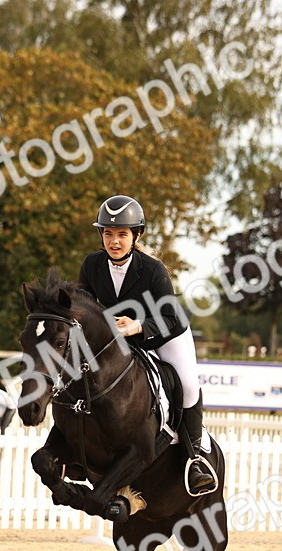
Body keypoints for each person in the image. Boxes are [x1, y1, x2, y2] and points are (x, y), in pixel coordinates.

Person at [76, 194, 217, 496]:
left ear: (135, 235)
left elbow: (172, 316)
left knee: (188, 385)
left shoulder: (152, 270)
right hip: (117, 339)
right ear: (101, 235)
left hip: (164, 334)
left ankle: (195, 459)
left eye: (122, 234)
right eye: (108, 233)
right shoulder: (91, 265)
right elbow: (83, 307)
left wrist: (138, 325)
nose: (114, 241)